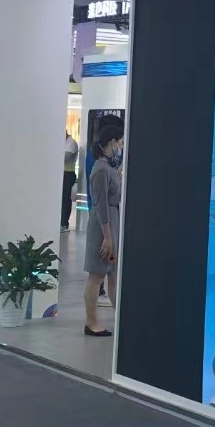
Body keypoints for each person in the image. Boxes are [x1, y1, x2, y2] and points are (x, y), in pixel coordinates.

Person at [84, 120, 124, 337]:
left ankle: (121, 321)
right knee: (97, 275)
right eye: (121, 143)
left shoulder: (108, 168)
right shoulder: (100, 170)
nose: (122, 147)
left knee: (113, 275)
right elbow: (100, 205)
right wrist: (107, 238)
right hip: (103, 227)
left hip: (111, 225)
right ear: (112, 142)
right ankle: (91, 322)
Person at [62, 131, 79, 231]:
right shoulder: (63, 142)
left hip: (68, 173)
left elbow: (65, 159)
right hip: (62, 173)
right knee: (61, 199)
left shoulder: (71, 143)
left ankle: (64, 223)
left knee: (65, 198)